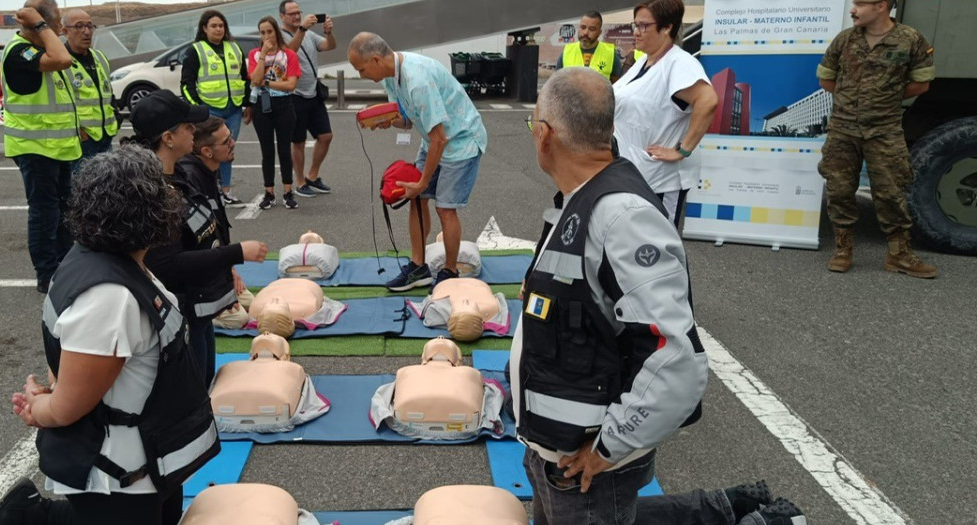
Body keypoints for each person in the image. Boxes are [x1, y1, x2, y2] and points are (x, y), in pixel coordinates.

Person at [515, 66, 804, 525]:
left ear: (545, 134)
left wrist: (610, 447)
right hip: (554, 455)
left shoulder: (620, 217)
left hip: (589, 469)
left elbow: (677, 358)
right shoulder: (579, 198)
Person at [0, 146, 220, 525]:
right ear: (152, 213)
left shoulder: (101, 258)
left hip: (150, 457)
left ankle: (29, 513)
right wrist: (37, 410)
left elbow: (65, 357)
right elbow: (65, 408)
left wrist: (61, 389)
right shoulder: (109, 298)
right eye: (163, 190)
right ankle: (27, 517)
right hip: (120, 474)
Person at [126, 93, 268, 387]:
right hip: (178, 311)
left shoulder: (178, 173)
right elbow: (167, 265)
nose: (194, 130)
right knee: (193, 387)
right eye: (188, 126)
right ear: (168, 137)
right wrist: (235, 253)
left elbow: (202, 234)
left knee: (205, 380)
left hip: (197, 304)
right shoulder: (151, 189)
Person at [349, 32, 488, 292]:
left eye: (361, 69)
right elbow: (407, 119)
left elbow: (440, 139)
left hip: (461, 140)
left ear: (377, 59)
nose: (360, 75)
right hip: (435, 138)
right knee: (416, 198)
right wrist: (387, 121)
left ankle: (450, 271)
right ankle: (418, 267)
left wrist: (423, 182)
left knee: (445, 208)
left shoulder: (417, 80)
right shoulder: (391, 76)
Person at [817, 0, 936, 278]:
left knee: (892, 191)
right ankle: (843, 249)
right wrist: (853, 103)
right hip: (843, 129)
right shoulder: (845, 39)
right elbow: (826, 80)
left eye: (860, 3)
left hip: (885, 130)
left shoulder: (910, 40)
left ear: (881, 6)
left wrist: (882, 102)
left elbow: (921, 83)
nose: (853, 9)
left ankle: (899, 255)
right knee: (839, 189)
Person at [612, 0, 717, 226]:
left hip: (660, 181)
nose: (636, 32)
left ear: (667, 27)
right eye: (635, 25)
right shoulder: (644, 61)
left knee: (658, 251)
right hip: (634, 176)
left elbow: (707, 101)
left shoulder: (679, 64)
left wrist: (683, 150)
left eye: (643, 26)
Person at [1, 0, 79, 293]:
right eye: (55, 23)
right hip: (34, 147)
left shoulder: (38, 49)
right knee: (44, 212)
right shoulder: (19, 52)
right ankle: (47, 274)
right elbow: (63, 59)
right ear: (37, 25)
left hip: (55, 147)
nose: (60, 29)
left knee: (62, 210)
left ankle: (65, 264)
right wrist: (41, 24)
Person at [181, 9, 251, 208]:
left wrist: (246, 104)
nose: (218, 29)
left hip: (233, 109)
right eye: (213, 25)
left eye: (221, 25)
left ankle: (226, 191)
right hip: (210, 111)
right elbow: (187, 84)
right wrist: (198, 110)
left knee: (227, 149)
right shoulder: (195, 50)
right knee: (207, 153)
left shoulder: (234, 48)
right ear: (204, 28)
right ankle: (208, 190)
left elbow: (244, 79)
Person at [279, 1, 336, 198]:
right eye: (291, 13)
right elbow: (288, 54)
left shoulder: (310, 34)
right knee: (299, 142)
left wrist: (329, 32)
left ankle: (312, 175)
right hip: (294, 95)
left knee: (326, 136)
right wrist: (302, 28)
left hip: (314, 94)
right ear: (282, 16)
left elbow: (330, 46)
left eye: (298, 13)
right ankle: (300, 182)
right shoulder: (281, 36)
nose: (296, 16)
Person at [248, 16, 302, 210]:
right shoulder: (254, 54)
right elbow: (254, 79)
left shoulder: (288, 55)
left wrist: (268, 82)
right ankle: (269, 192)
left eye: (269, 31)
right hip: (262, 106)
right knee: (267, 151)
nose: (266, 36)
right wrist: (263, 54)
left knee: (284, 149)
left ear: (276, 32)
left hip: (284, 104)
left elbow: (291, 84)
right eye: (262, 32)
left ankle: (288, 191)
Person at [61, 8, 118, 175]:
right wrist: (75, 131)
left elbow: (108, 93)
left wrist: (116, 117)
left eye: (89, 26)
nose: (86, 32)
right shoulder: (60, 61)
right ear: (65, 31)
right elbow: (59, 103)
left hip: (105, 137)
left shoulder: (99, 57)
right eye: (79, 26)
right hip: (82, 141)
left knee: (106, 187)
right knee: (82, 190)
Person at [558, 11, 623, 82]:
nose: (586, 32)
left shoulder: (610, 54)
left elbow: (617, 85)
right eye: (583, 27)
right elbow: (557, 81)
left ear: (599, 32)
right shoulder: (567, 52)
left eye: (592, 29)